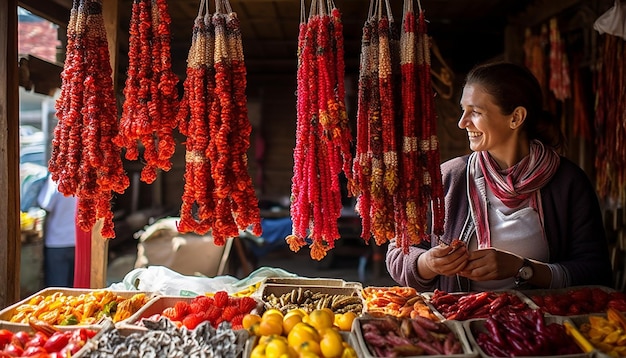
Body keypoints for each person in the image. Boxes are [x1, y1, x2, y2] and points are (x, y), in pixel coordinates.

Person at [386, 61, 613, 292]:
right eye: (463, 110)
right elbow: (397, 254)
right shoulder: (448, 178)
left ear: (516, 118)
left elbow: (596, 272)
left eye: (475, 112)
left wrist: (523, 268)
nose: (462, 122)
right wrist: (427, 263)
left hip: (540, 324)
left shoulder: (568, 183)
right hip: (462, 323)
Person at [37, 174, 77, 287]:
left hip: (57, 242)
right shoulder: (85, 175)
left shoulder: (57, 176)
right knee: (75, 290)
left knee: (57, 289)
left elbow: (44, 204)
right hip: (77, 242)